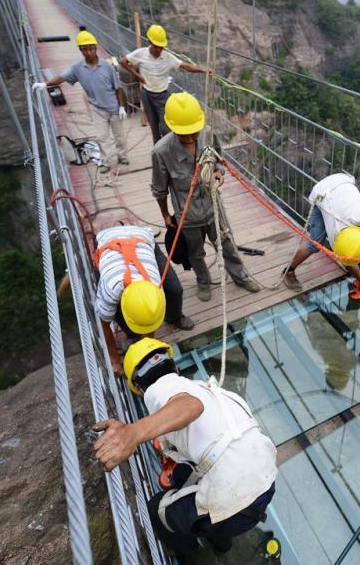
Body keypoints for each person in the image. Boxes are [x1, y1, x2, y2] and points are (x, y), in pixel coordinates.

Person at [93, 339, 277, 556]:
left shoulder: (159, 390)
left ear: (139, 389)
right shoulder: (209, 390)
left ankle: (189, 552)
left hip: (237, 506)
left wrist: (132, 433)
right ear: (176, 368)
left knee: (156, 510)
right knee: (181, 475)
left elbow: (190, 407)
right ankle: (221, 542)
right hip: (266, 481)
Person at [150, 92, 260, 301]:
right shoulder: (161, 152)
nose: (192, 138)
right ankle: (203, 281)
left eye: (195, 133)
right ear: (173, 128)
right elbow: (159, 188)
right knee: (195, 252)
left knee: (227, 244)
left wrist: (218, 172)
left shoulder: (207, 134)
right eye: (186, 135)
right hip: (188, 215)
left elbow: (218, 159)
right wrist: (165, 215)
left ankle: (240, 276)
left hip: (214, 206)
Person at [94, 226, 195, 369]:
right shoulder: (111, 288)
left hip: (142, 240)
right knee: (115, 311)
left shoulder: (155, 287)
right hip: (107, 245)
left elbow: (150, 315)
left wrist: (149, 347)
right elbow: (104, 324)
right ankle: (132, 335)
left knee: (175, 289)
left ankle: (175, 318)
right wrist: (115, 359)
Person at [282, 173, 360, 294]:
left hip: (342, 183)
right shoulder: (336, 239)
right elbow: (347, 260)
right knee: (315, 243)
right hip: (321, 194)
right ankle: (288, 271)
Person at [33, 28, 129, 173]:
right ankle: (106, 162)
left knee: (119, 136)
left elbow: (118, 88)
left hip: (114, 107)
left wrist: (121, 107)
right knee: (102, 137)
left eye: (91, 48)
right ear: (81, 50)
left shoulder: (107, 67)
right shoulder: (78, 68)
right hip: (98, 108)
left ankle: (122, 156)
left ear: (95, 48)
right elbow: (62, 77)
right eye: (84, 49)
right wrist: (45, 84)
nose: (88, 52)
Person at [119, 24, 209, 145]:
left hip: (162, 96)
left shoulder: (168, 57)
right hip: (146, 94)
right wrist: (137, 75)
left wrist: (203, 71)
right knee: (153, 125)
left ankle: (168, 149)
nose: (159, 50)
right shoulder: (141, 54)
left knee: (166, 126)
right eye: (156, 46)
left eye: (161, 47)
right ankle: (157, 148)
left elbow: (185, 66)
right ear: (150, 42)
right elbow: (123, 61)